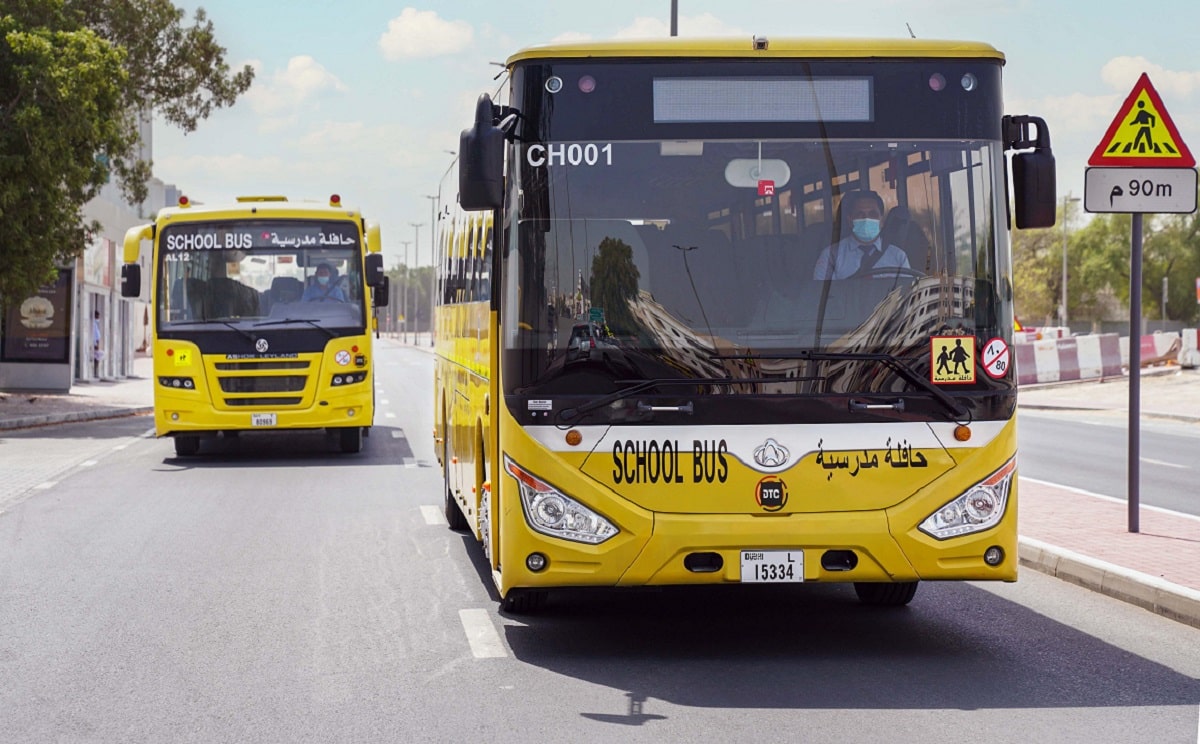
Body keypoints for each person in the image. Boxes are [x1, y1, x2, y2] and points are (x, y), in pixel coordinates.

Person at [812, 190, 911, 280]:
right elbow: (820, 294)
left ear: (881, 219)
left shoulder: (898, 257)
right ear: (850, 220)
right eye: (860, 214)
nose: (866, 219)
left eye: (873, 214)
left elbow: (907, 295)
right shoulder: (831, 256)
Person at [91, 309, 103, 378]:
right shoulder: (94, 324)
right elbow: (95, 335)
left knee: (97, 358)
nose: (98, 318)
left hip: (96, 343)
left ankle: (96, 372)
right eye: (97, 316)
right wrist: (96, 344)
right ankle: (95, 373)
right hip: (95, 344)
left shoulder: (95, 324)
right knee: (96, 358)